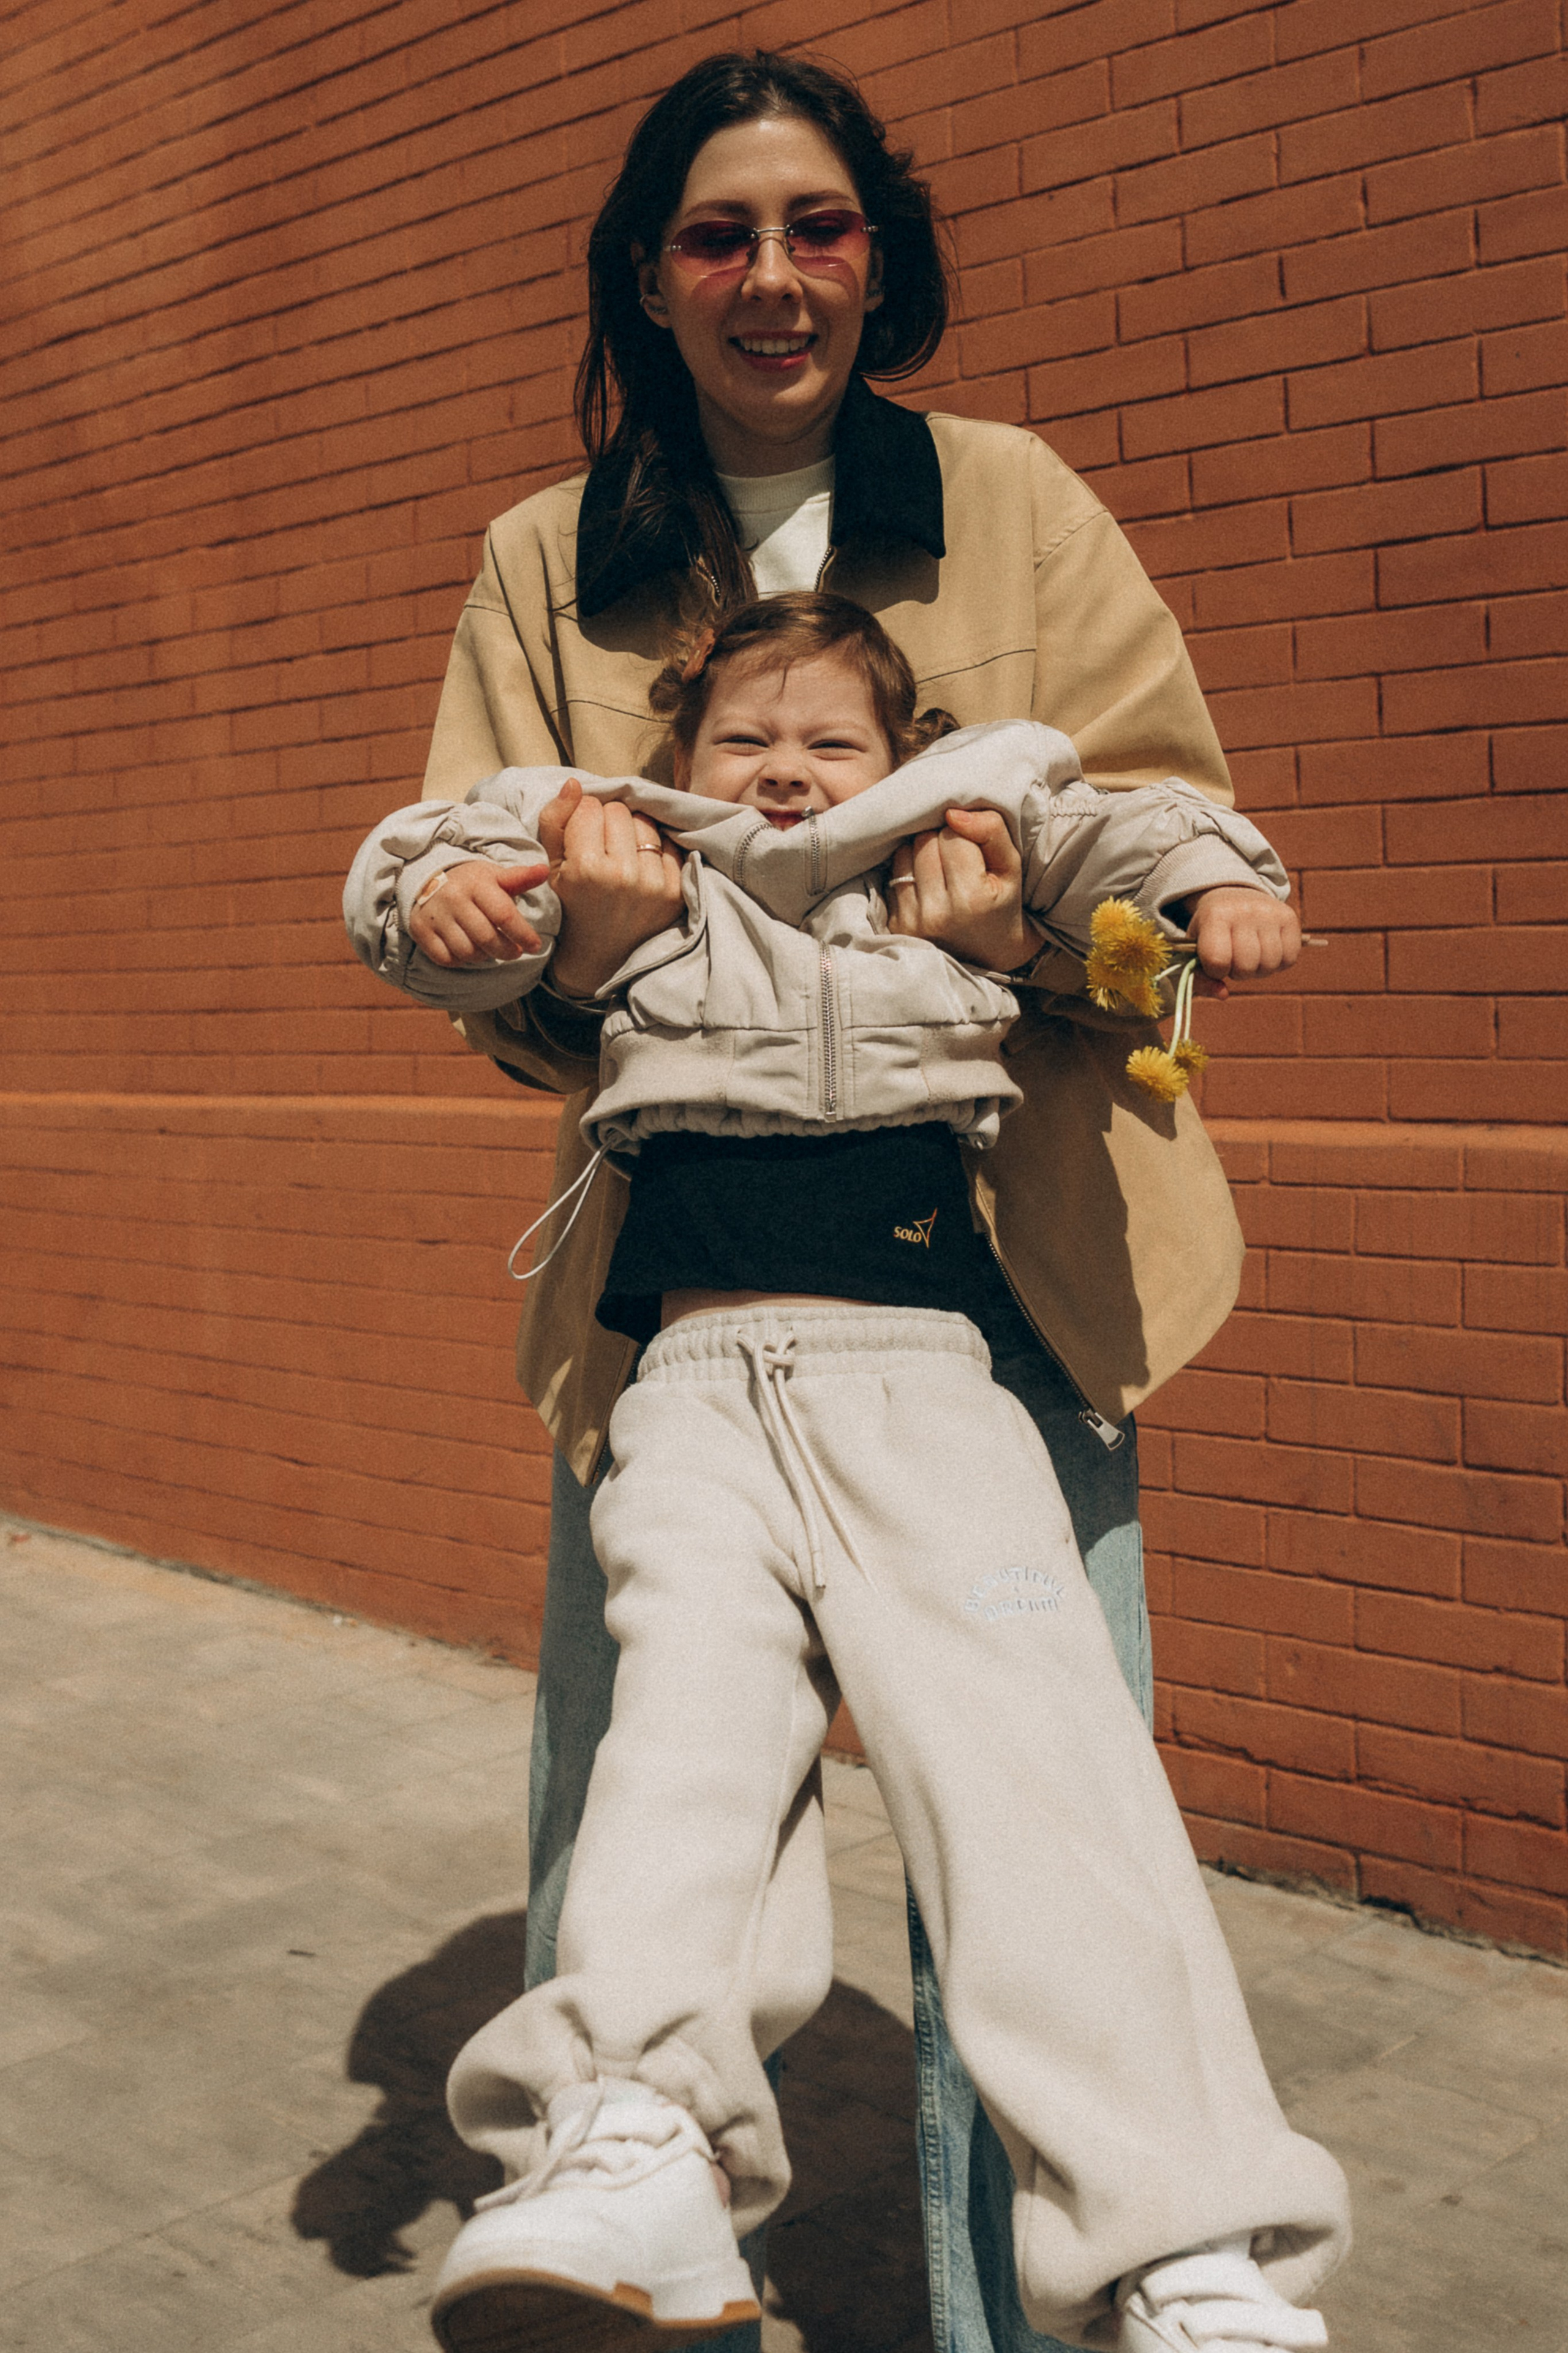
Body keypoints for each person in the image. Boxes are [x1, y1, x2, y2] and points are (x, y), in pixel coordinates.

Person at [407, 48, 1292, 2353]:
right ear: (650, 274)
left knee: (1040, 1813)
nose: (773, 275)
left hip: (1019, 1271)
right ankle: (633, 2197)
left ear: (875, 256)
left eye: (817, 225)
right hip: (683, 1305)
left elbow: (1157, 845)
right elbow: (474, 929)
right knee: (650, 1790)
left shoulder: (1012, 503)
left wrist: (1033, 947)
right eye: (718, 233)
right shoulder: (543, 559)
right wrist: (574, 958)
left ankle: (1117, 2288)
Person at [344, 592, 1348, 2353]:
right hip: (691, 1399)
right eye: (744, 737)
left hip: (924, 1391)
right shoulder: (631, 849)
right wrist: (448, 906)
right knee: (684, 1759)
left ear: (902, 756)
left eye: (832, 741)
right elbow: (437, 860)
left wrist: (1216, 890)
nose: (787, 770)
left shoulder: (962, 833)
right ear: (682, 752)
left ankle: (1187, 2246)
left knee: (1040, 1777)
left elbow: (1124, 830)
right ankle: (642, 2138)